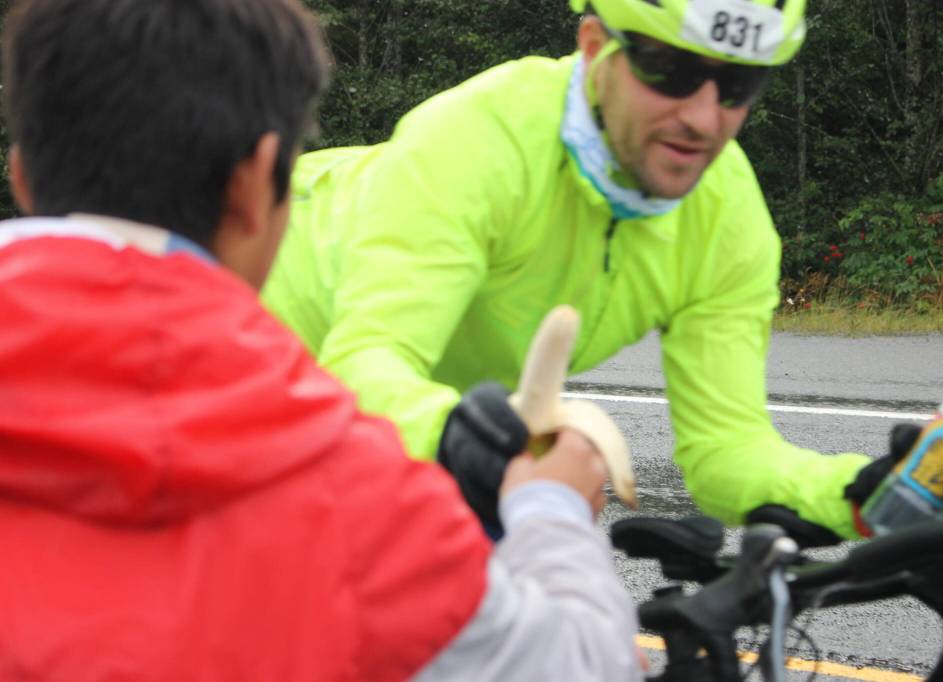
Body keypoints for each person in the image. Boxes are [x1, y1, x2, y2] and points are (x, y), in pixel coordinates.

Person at [0, 0, 642, 679]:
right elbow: (576, 662)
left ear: (24, 175)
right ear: (257, 183)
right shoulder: (358, 491)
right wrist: (549, 506)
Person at [261, 0, 943, 552]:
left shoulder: (727, 218)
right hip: (269, 334)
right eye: (672, 71)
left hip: (433, 411)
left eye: (738, 86)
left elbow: (727, 455)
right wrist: (477, 442)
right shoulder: (477, 140)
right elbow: (362, 367)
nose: (703, 117)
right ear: (594, 45)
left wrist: (863, 495)